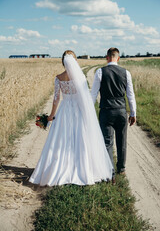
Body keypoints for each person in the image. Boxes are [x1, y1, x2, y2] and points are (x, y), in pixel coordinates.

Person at [29, 50, 113, 186]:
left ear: (63, 62)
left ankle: (60, 168)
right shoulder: (80, 78)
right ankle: (82, 168)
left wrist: (51, 115)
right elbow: (85, 98)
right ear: (75, 62)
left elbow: (56, 100)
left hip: (64, 110)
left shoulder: (58, 78)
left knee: (62, 140)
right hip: (78, 110)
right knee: (80, 139)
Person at [91, 47, 136, 184]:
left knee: (107, 143)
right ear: (118, 58)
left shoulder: (100, 72)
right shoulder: (126, 73)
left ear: (107, 57)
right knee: (122, 140)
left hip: (106, 111)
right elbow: (130, 95)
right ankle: (121, 168)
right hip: (121, 111)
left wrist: (89, 111)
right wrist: (133, 113)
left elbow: (93, 94)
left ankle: (110, 174)